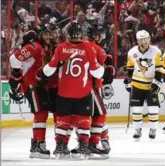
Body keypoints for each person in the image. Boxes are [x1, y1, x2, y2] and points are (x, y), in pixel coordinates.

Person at [38, 22, 115, 158]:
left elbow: (49, 69)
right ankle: (85, 145)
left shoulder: (61, 47)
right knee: (84, 119)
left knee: (64, 120)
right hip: (84, 91)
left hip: (63, 92)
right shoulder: (88, 48)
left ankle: (60, 146)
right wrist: (107, 72)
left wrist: (42, 72)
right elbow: (97, 72)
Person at [9, 25, 52, 159]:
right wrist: (16, 76)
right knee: (40, 114)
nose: (48, 36)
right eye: (45, 34)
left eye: (49, 34)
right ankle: (38, 144)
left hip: (37, 85)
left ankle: (36, 144)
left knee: (42, 113)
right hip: (33, 85)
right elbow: (13, 59)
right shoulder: (35, 46)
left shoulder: (42, 47)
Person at [71, 24, 113, 157]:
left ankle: (83, 143)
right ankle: (93, 143)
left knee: (81, 116)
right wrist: (109, 69)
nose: (100, 36)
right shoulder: (97, 49)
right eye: (97, 34)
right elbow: (100, 71)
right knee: (99, 115)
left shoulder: (78, 46)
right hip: (92, 86)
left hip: (75, 86)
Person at [124, 30, 163, 140]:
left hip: (151, 85)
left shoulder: (156, 51)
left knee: (153, 109)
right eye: (143, 39)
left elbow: (160, 69)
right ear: (138, 41)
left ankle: (153, 129)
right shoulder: (132, 52)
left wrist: (156, 83)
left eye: (147, 38)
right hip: (137, 85)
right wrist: (129, 81)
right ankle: (137, 129)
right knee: (136, 109)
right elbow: (130, 68)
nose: (146, 41)